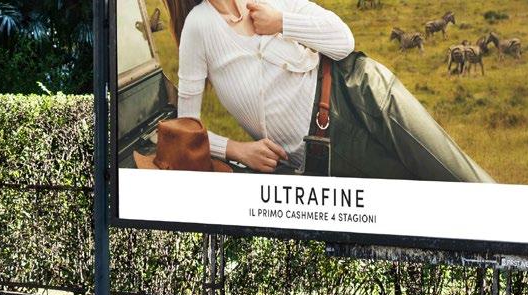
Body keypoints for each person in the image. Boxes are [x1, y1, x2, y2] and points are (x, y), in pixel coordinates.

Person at [162, 0, 494, 181]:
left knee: (460, 177)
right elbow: (184, 128)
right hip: (326, 151)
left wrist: (282, 22)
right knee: (425, 201)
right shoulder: (199, 26)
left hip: (361, 91)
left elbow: (343, 40)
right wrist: (237, 150)